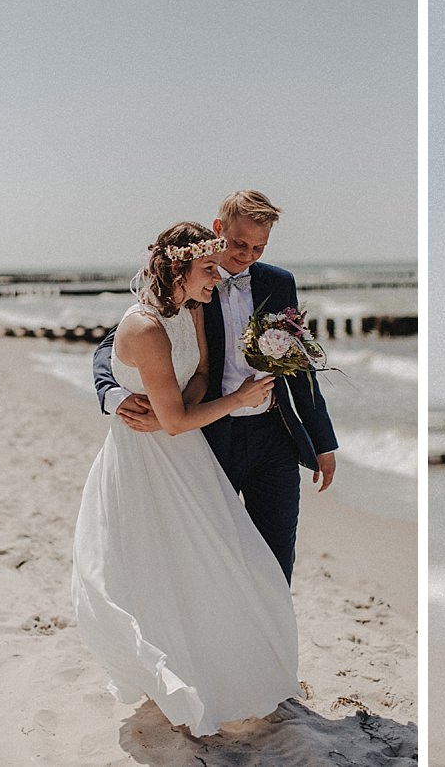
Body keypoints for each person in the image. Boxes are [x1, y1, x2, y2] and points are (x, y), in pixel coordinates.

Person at [72, 222, 298, 736]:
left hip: (187, 452)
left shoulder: (192, 308)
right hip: (143, 460)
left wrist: (181, 412)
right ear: (179, 267)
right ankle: (173, 673)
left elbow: (194, 380)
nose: (217, 279)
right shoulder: (144, 328)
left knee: (218, 559)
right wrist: (234, 401)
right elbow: (167, 419)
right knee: (159, 566)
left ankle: (228, 665)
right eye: (208, 269)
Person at [92, 190, 338, 583]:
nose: (247, 255)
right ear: (219, 230)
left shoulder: (279, 283)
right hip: (207, 437)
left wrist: (323, 442)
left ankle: (268, 641)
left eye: (259, 247)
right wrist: (114, 394)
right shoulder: (189, 282)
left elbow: (300, 366)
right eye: (240, 244)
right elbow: (114, 343)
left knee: (276, 555)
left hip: (273, 434)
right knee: (212, 558)